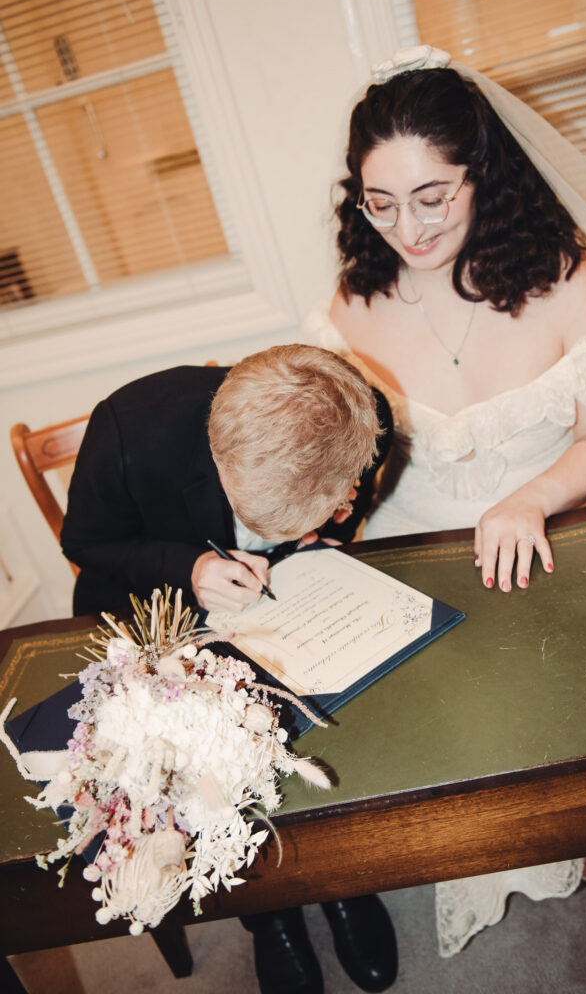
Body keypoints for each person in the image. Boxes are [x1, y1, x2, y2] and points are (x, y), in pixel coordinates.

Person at [303, 46, 586, 955]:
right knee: (433, 742)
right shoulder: (354, 302)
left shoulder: (568, 282)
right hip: (409, 548)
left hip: (538, 534)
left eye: (433, 196)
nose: (408, 229)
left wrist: (528, 499)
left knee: (568, 733)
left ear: (484, 172)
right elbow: (355, 456)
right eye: (379, 203)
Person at [61, 343, 398, 994]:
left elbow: (359, 492)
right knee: (211, 760)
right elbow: (88, 544)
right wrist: (191, 568)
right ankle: (269, 915)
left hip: (293, 598)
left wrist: (320, 534)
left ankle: (340, 882)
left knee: (341, 722)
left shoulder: (360, 411)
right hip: (163, 613)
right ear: (220, 457)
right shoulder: (131, 427)